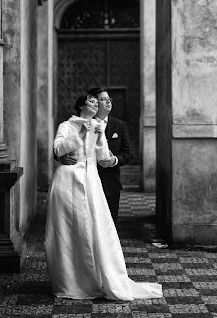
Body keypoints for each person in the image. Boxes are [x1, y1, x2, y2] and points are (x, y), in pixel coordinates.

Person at [45, 93, 162, 301]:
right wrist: (79, 133)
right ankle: (70, 280)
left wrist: (100, 136)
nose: (96, 104)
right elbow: (57, 148)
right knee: (69, 229)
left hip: (91, 181)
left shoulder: (98, 127)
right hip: (68, 181)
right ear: (81, 105)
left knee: (95, 228)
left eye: (96, 102)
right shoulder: (67, 125)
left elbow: (103, 157)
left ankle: (95, 276)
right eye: (91, 101)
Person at [88, 86, 132, 223]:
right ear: (94, 102)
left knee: (110, 223)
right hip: (89, 182)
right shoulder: (84, 123)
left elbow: (128, 154)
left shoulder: (119, 125)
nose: (108, 102)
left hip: (111, 184)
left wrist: (115, 160)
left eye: (109, 99)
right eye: (103, 99)